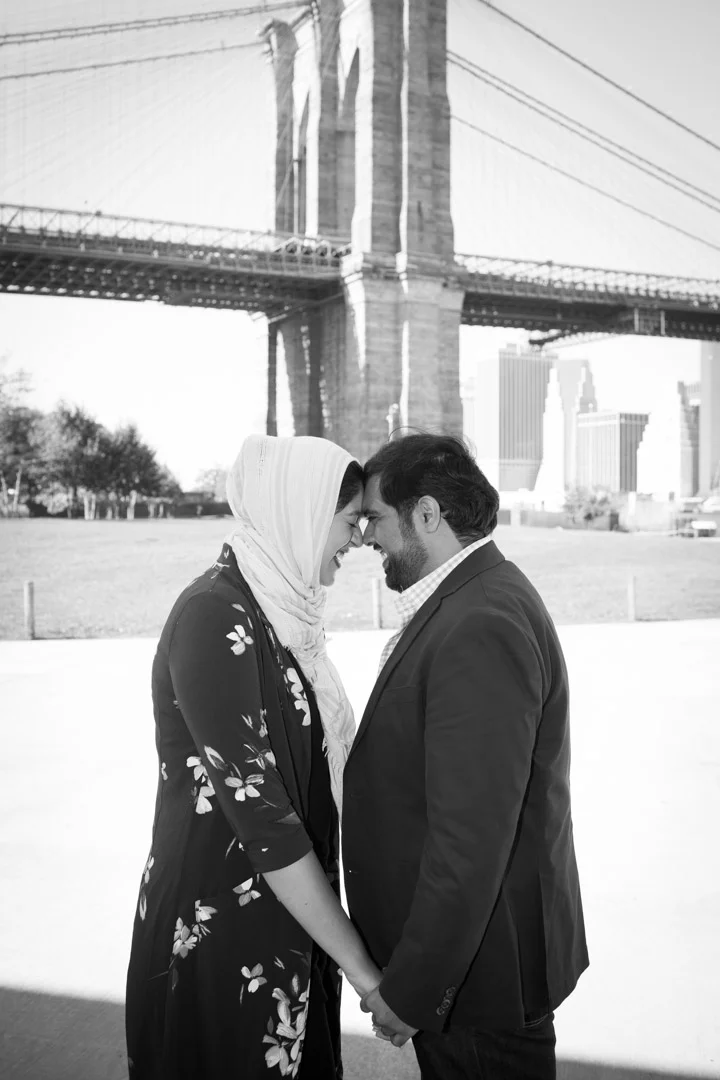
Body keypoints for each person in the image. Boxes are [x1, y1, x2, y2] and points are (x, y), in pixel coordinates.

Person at [126, 434, 382, 1080]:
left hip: (291, 927)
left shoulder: (284, 617)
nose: (358, 539)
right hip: (221, 943)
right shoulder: (214, 616)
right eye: (350, 520)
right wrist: (365, 971)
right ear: (302, 512)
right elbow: (264, 819)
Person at [343, 433, 589, 1080]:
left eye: (376, 518)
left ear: (427, 514)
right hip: (477, 964)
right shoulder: (475, 596)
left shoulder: (478, 622)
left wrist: (414, 989)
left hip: (478, 982)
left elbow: (470, 842)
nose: (365, 536)